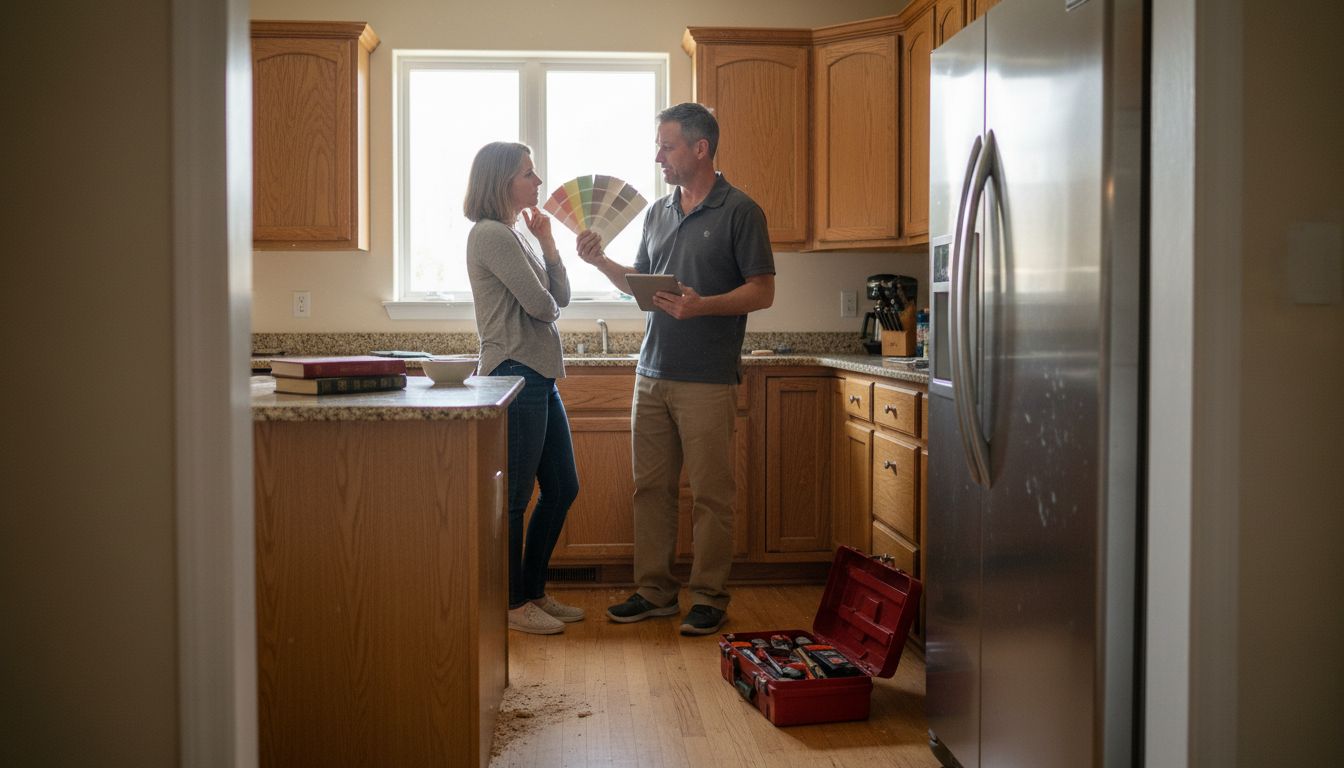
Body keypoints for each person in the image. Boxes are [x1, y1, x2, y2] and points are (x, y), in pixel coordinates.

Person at [577, 103, 775, 636]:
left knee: (711, 495)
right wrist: (600, 261)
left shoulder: (741, 211)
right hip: (652, 373)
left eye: (667, 147)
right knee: (651, 489)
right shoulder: (657, 213)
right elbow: (640, 283)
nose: (658, 157)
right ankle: (655, 592)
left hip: (707, 378)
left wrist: (702, 306)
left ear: (700, 148)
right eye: (659, 147)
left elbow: (763, 291)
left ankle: (708, 597)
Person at [464, 141, 584, 635]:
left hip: (537, 374)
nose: (537, 182)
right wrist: (549, 300)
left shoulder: (517, 234)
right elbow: (543, 306)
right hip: (514, 372)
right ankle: (512, 605)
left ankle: (533, 592)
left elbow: (561, 296)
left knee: (562, 487)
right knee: (515, 497)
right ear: (502, 181)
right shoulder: (490, 234)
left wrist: (550, 246)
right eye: (528, 173)